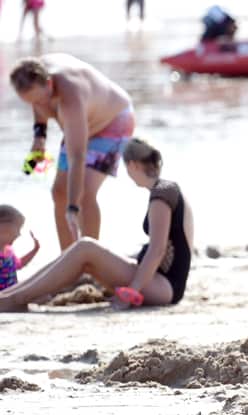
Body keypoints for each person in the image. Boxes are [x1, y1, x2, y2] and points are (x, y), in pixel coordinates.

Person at [0, 138, 194, 312]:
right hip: (161, 281)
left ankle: (17, 298)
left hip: (165, 287)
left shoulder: (162, 195)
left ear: (133, 165)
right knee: (81, 251)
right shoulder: (168, 189)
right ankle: (10, 294)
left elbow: (157, 250)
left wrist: (131, 292)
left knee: (86, 247)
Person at [10, 54, 135, 250]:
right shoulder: (32, 73)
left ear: (50, 84)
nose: (40, 107)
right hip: (81, 123)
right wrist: (39, 135)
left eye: (41, 100)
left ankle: (91, 260)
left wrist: (72, 208)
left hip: (112, 121)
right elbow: (37, 101)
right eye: (32, 103)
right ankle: (68, 260)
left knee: (83, 194)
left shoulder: (71, 99)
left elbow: (78, 157)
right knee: (59, 192)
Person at [0, 205, 40, 291]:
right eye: (18, 228)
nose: (19, 234)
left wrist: (35, 250)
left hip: (10, 294)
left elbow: (19, 264)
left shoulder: (9, 251)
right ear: (3, 228)